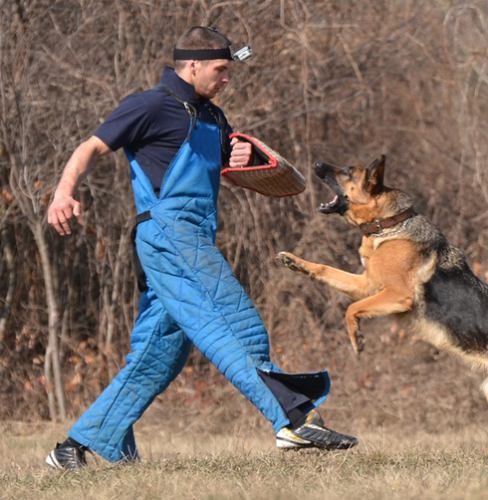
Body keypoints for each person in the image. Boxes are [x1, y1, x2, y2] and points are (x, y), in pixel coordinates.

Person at [45, 26, 357, 470]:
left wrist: (241, 156)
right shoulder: (149, 105)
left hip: (193, 237)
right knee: (234, 321)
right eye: (221, 70)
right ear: (192, 65)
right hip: (169, 235)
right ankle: (292, 419)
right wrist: (63, 192)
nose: (227, 78)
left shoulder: (213, 116)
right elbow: (90, 147)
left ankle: (73, 448)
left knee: (161, 351)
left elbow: (231, 159)